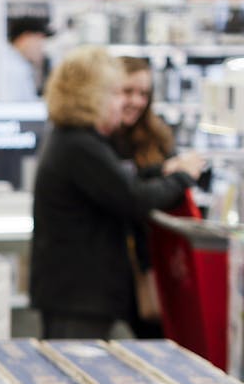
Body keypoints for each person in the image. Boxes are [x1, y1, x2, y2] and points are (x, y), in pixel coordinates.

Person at [31, 46, 156, 340]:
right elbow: (132, 198)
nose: (122, 103)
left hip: (74, 294)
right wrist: (179, 178)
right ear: (91, 95)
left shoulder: (74, 141)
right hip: (78, 297)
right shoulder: (79, 145)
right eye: (116, 93)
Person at [113, 56, 206, 337]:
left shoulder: (157, 134)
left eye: (144, 93)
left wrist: (173, 173)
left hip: (154, 258)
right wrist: (174, 175)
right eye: (129, 91)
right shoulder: (100, 140)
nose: (137, 101)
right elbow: (128, 195)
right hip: (114, 265)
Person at [0, 16, 52, 104]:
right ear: (24, 38)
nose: (42, 47)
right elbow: (10, 110)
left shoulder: (8, 61)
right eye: (39, 40)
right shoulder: (9, 67)